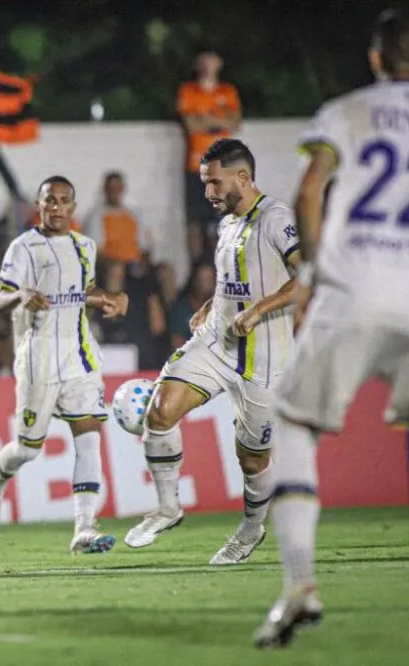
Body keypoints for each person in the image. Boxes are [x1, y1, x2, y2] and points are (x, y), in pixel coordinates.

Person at [254, 9, 409, 648]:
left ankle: (299, 584)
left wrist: (314, 271)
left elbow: (312, 186)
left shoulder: (346, 111)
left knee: (293, 422)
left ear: (376, 58)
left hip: (354, 290)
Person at [125, 139, 301, 565]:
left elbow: (308, 278)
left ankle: (251, 529)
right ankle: (168, 507)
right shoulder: (225, 225)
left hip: (266, 358)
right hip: (217, 343)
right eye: (205, 183)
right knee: (160, 411)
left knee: (252, 457)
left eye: (215, 183)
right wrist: (210, 306)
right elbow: (231, 281)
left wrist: (259, 310)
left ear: (242, 177)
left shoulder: (278, 220)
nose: (209, 193)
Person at [0, 176, 129, 554]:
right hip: (37, 360)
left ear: (73, 207)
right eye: (50, 201)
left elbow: (84, 291)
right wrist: (22, 295)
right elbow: (1, 300)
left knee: (90, 437)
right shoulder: (23, 247)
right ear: (38, 205)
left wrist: (110, 298)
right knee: (28, 449)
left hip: (79, 356)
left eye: (64, 201)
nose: (57, 207)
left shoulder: (85, 245)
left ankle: (84, 528)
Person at [177, 51, 242, 263]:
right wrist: (218, 119)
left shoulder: (227, 91)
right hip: (196, 165)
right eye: (203, 61)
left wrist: (205, 118)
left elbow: (234, 123)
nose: (208, 66)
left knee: (222, 218)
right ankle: (197, 267)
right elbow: (192, 125)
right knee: (195, 221)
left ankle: (220, 267)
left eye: (212, 61)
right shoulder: (188, 91)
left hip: (223, 167)